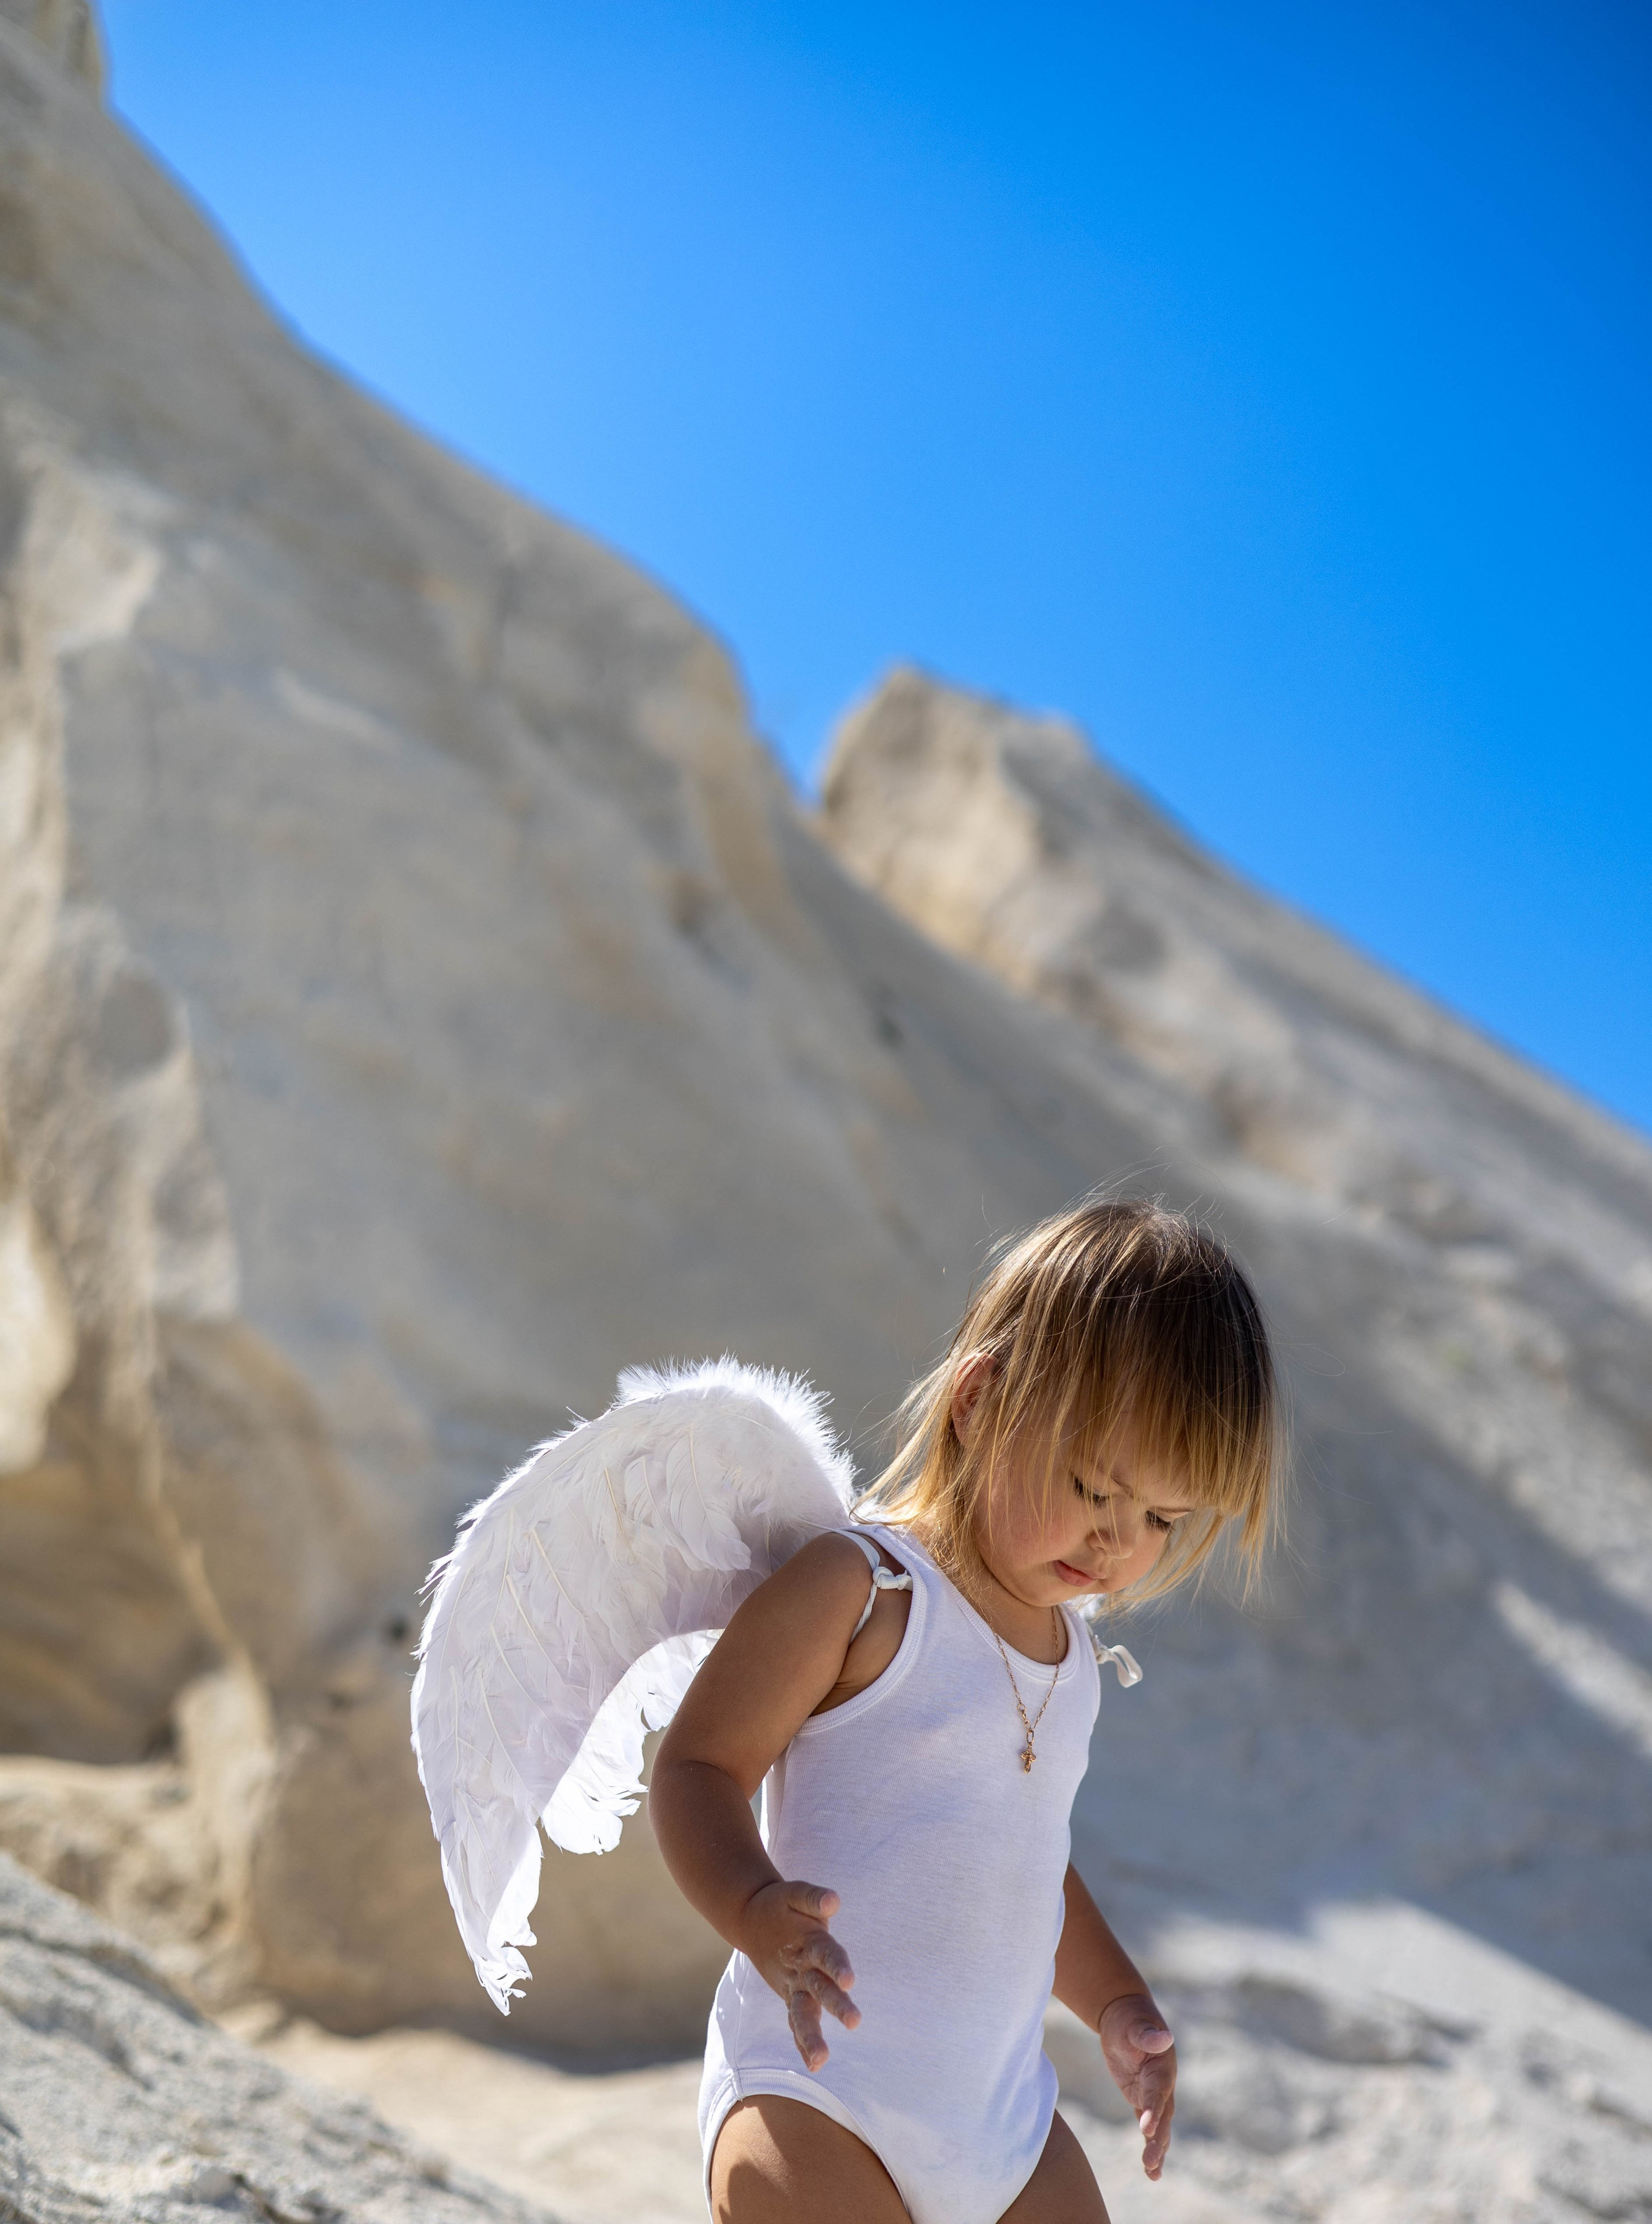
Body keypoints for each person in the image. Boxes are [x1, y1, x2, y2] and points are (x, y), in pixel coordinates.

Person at [650, 1195, 1282, 2224]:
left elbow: (1026, 1860)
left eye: (1162, 1517)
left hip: (1001, 2123)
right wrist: (751, 1905)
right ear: (981, 1398)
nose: (1118, 1538)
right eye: (1092, 1485)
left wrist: (1117, 2002)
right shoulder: (861, 1591)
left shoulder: (1075, 1655)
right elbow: (697, 1767)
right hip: (817, 2089)